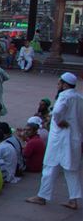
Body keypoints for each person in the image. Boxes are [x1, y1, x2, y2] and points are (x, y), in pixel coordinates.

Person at [26, 72, 83, 210]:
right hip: (74, 138)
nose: (58, 85)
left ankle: (42, 196)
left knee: (50, 166)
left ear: (64, 84)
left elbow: (57, 112)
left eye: (59, 83)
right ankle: (73, 200)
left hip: (60, 139)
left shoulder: (64, 96)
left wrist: (58, 121)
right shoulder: (79, 97)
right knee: (71, 169)